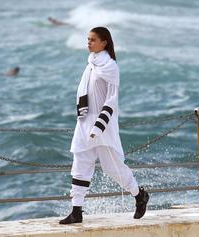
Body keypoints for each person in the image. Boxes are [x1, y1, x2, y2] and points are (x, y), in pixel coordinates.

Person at [59, 27, 149, 225]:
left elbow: (111, 100)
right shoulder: (91, 64)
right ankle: (76, 211)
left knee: (112, 168)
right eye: (88, 39)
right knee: (80, 165)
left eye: (92, 40)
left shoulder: (110, 66)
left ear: (104, 43)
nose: (88, 43)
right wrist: (86, 122)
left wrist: (98, 126)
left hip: (102, 125)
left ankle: (139, 195)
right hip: (84, 122)